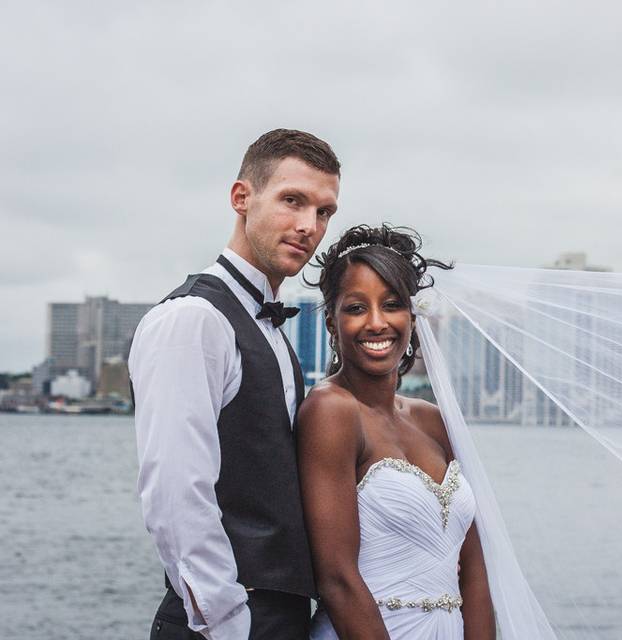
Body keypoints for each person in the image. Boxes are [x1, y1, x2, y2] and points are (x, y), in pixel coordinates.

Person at [128, 128, 341, 640]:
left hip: (278, 617)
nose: (308, 226)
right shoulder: (194, 320)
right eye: (292, 201)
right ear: (241, 198)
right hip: (230, 622)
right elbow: (177, 496)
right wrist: (227, 625)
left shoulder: (266, 327)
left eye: (324, 212)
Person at [298, 224, 497, 639]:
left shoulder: (434, 420)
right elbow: (337, 579)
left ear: (412, 315)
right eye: (355, 308)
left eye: (391, 304)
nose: (376, 323)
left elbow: (476, 573)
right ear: (332, 322)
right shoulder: (330, 411)